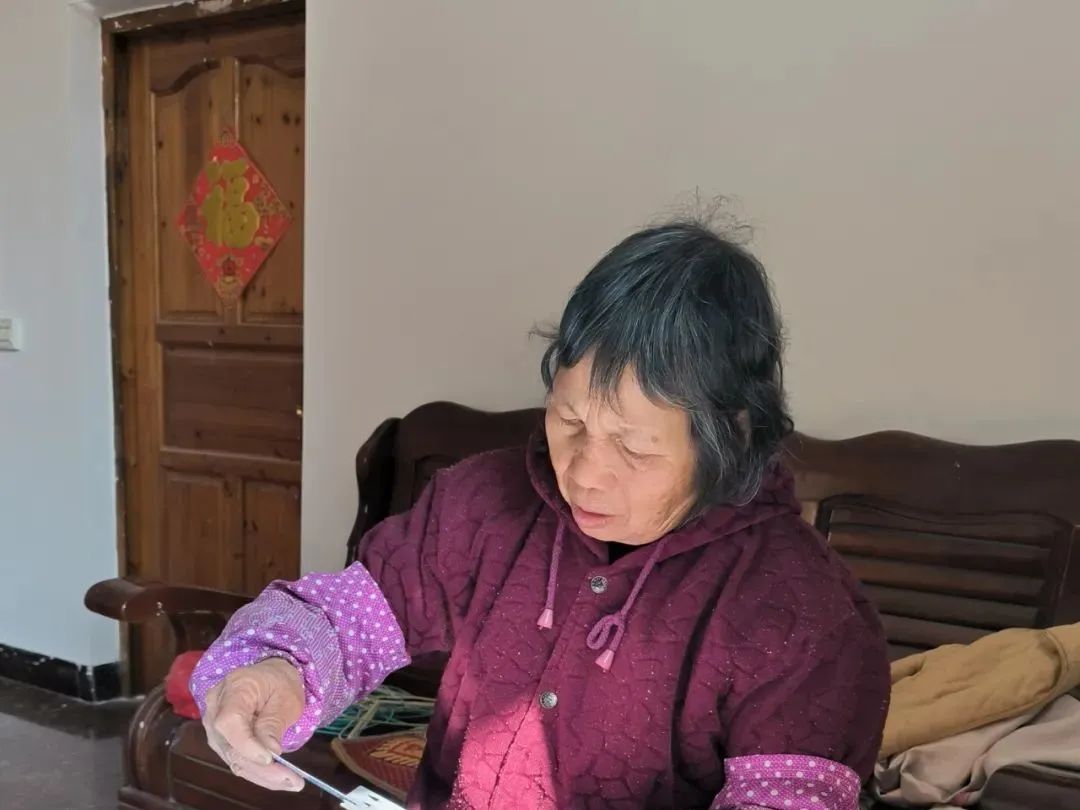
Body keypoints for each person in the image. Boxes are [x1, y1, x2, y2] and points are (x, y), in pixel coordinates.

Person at [192, 220, 890, 810]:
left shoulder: (801, 615)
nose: (583, 472)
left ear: (730, 436)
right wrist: (278, 672)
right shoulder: (484, 504)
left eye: (634, 446)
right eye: (569, 421)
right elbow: (353, 616)